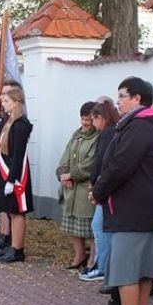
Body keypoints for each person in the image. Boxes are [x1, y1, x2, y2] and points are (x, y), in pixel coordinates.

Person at [91, 77, 153, 305]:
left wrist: (99, 191)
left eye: (123, 95)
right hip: (146, 205)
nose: (119, 100)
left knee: (126, 271)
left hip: (132, 208)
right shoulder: (148, 125)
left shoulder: (139, 127)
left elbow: (120, 165)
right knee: (144, 269)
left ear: (137, 99)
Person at [56, 101, 99, 271]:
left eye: (88, 120)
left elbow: (91, 162)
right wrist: (62, 173)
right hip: (71, 187)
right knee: (73, 226)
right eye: (83, 119)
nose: (85, 123)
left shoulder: (97, 137)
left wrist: (72, 175)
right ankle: (79, 254)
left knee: (89, 227)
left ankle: (93, 259)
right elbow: (66, 155)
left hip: (84, 187)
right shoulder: (77, 135)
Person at [0, 87, 33, 263]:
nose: (3, 104)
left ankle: (18, 250)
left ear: (17, 103)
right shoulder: (9, 121)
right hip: (6, 172)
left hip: (16, 174)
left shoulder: (20, 125)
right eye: (3, 101)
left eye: (6, 101)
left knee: (17, 212)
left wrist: (11, 179)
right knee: (10, 211)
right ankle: (12, 246)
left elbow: (18, 154)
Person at [82, 99, 118, 285]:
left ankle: (102, 266)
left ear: (99, 118)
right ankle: (103, 264)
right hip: (107, 186)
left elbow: (101, 161)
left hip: (104, 186)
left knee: (99, 226)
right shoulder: (115, 131)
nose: (93, 125)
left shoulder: (106, 134)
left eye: (93, 120)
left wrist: (94, 183)